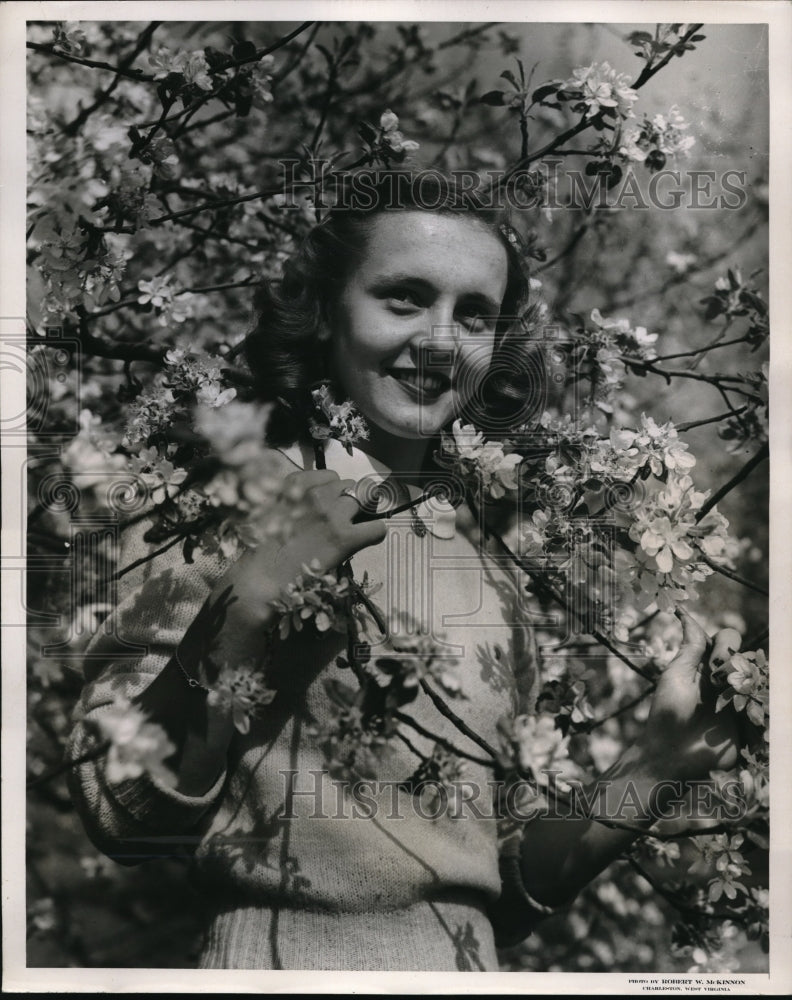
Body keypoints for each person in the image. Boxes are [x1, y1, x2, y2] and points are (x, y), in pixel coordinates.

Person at [66, 171, 743, 971]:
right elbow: (123, 814)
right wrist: (243, 612)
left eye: (474, 315)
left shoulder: (493, 575)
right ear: (324, 311)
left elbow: (507, 886)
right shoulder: (228, 513)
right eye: (403, 297)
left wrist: (658, 763)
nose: (439, 340)